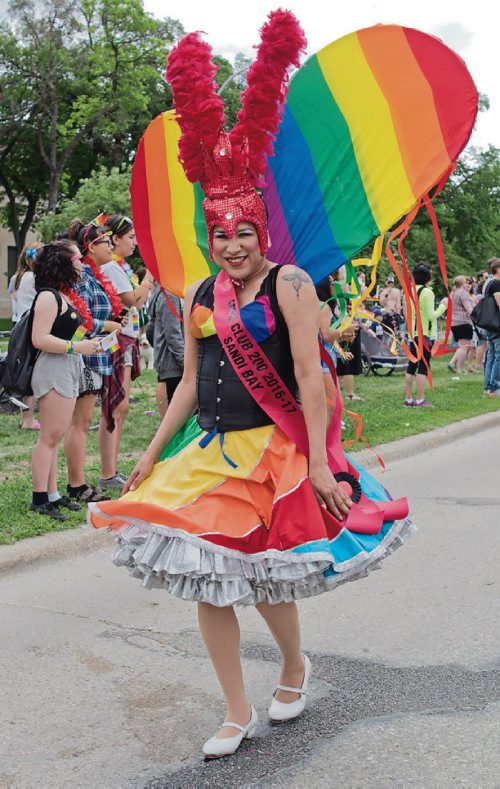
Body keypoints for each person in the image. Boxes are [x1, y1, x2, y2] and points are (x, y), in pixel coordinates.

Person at [89, 15, 413, 760]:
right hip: (213, 451)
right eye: (219, 232)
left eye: (242, 231)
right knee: (209, 574)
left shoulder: (292, 283)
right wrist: (149, 454)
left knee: (267, 579)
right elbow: (188, 385)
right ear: (208, 233)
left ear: (260, 228)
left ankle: (295, 664)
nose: (231, 244)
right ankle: (236, 708)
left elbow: (308, 374)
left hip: (275, 451)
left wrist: (325, 464)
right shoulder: (200, 291)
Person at [30, 241, 102, 519]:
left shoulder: (64, 295)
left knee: (55, 435)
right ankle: (39, 498)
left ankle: (53, 495)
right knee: (49, 437)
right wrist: (76, 348)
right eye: (77, 257)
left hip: (68, 366)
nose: (82, 262)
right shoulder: (48, 297)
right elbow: (40, 339)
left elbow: (64, 335)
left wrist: (87, 343)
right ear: (64, 261)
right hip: (54, 369)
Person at [64, 219, 124, 503]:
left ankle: (79, 482)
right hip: (86, 356)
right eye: (106, 242)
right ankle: (77, 484)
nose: (111, 246)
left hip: (96, 354)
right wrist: (108, 325)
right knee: (80, 422)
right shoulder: (84, 276)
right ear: (90, 246)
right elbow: (81, 318)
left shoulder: (96, 274)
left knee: (83, 421)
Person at [97, 214, 155, 490]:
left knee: (121, 407)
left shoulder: (121, 267)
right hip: (118, 340)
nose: (134, 242)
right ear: (115, 239)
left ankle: (112, 469)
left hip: (128, 338)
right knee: (115, 406)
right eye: (130, 237)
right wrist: (150, 277)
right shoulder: (110, 267)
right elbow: (135, 301)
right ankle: (108, 472)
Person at [403, 262, 447, 407]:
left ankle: (408, 399)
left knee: (411, 365)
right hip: (424, 334)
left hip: (413, 333)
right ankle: (420, 399)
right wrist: (443, 306)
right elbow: (431, 315)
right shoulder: (427, 292)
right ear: (427, 276)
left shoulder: (409, 290)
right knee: (423, 366)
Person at [13, 243, 43, 429]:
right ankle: (28, 419)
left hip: (24, 326)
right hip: (30, 327)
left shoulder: (22, 276)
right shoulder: (32, 278)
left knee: (29, 370)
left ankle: (27, 417)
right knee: (31, 371)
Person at [148, 283, 184, 419]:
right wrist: (186, 364)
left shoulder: (166, 291)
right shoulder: (169, 294)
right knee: (177, 420)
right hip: (174, 364)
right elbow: (173, 335)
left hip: (171, 363)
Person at [447, 275, 474, 373]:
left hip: (454, 322)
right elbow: (469, 308)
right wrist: (476, 315)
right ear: (462, 283)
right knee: (464, 346)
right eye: (466, 282)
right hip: (463, 322)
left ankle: (452, 362)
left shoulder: (454, 293)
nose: (467, 284)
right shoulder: (463, 293)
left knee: (464, 345)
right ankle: (460, 368)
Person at [483, 257, 500, 397]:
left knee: (491, 355)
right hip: (496, 324)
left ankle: (488, 386)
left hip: (489, 324)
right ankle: (494, 387)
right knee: (498, 356)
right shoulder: (496, 284)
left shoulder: (488, 283)